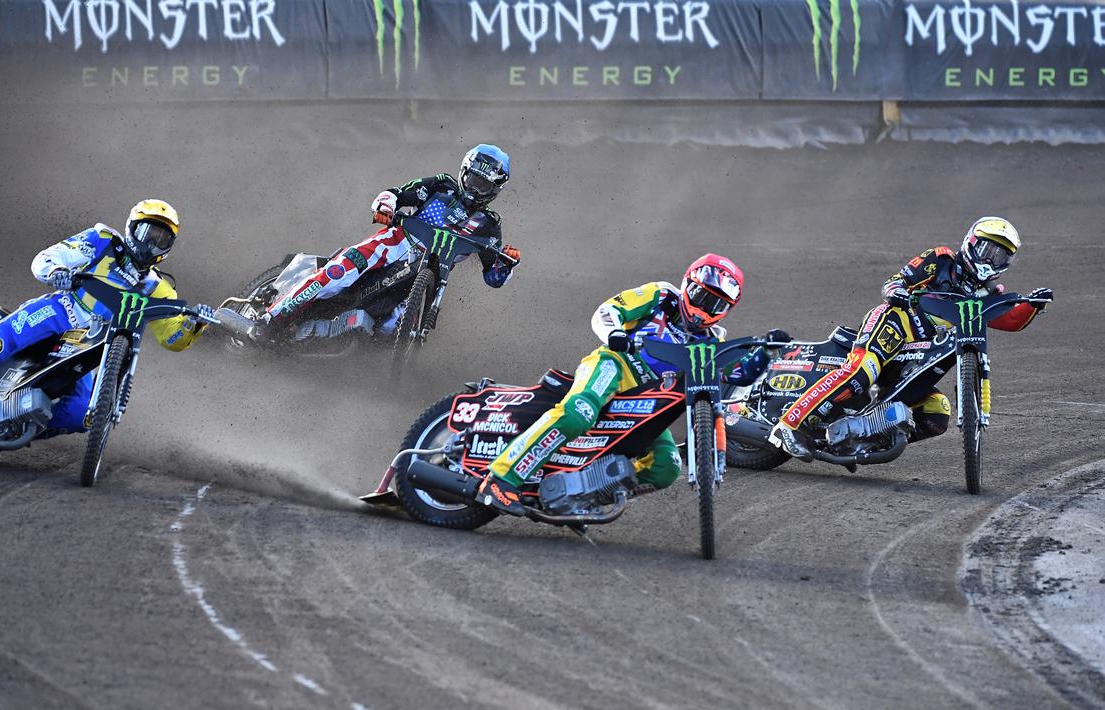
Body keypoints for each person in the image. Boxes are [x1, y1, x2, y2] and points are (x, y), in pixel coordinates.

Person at [477, 254, 789, 515]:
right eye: (701, 296)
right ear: (687, 285)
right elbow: (608, 310)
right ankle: (500, 478)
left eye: (716, 305)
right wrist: (615, 334)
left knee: (666, 467)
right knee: (579, 413)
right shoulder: (662, 295)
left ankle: (583, 496)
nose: (705, 308)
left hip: (649, 401)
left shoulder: (713, 340)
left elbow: (738, 376)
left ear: (727, 311)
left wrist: (766, 353)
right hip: (614, 366)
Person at [0, 199, 215, 437]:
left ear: (169, 245)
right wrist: (58, 273)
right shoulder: (102, 240)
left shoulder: (159, 289)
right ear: (132, 228)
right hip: (61, 310)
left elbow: (171, 339)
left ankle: (6, 428)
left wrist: (194, 325)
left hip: (94, 344)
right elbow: (46, 258)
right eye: (146, 231)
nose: (151, 241)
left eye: (160, 237)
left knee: (84, 415)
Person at [767, 216, 1054, 461]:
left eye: (1000, 255)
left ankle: (865, 438)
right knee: (861, 371)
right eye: (987, 249)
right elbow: (895, 281)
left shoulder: (988, 295)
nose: (991, 259)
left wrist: (1033, 305)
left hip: (917, 356)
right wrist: (896, 291)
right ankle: (788, 425)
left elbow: (1009, 320)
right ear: (971, 243)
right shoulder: (940, 259)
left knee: (936, 411)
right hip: (897, 323)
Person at [262, 144, 521, 331]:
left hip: (430, 276)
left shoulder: (488, 225)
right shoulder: (442, 186)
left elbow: (493, 277)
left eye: (484, 186)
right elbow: (396, 194)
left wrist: (506, 263)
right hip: (394, 243)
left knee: (390, 329)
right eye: (474, 180)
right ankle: (269, 320)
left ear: (495, 190)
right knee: (338, 273)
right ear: (464, 173)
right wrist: (386, 207)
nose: (476, 190)